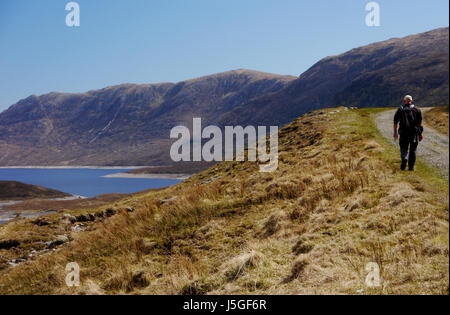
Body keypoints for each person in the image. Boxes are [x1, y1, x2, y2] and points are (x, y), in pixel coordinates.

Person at [393, 95, 423, 171]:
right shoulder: (417, 109)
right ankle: (411, 167)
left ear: (404, 101)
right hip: (414, 133)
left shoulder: (400, 109)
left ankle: (404, 158)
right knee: (413, 150)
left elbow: (395, 122)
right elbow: (420, 123)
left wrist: (395, 133)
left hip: (403, 133)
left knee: (403, 147)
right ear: (411, 101)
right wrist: (420, 134)